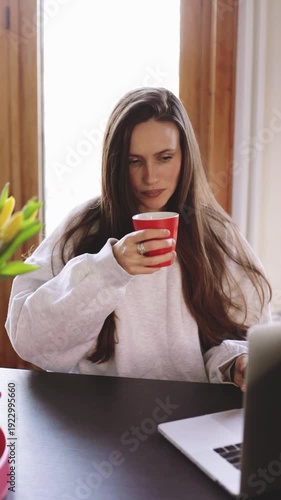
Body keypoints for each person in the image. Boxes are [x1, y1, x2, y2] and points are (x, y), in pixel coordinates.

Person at [6, 87, 271, 391]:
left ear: (185, 157)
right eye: (135, 161)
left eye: (164, 157)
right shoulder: (84, 228)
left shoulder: (215, 234)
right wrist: (110, 268)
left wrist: (236, 365)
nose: (151, 177)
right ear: (117, 163)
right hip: (95, 417)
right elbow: (30, 340)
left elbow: (247, 336)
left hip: (192, 420)